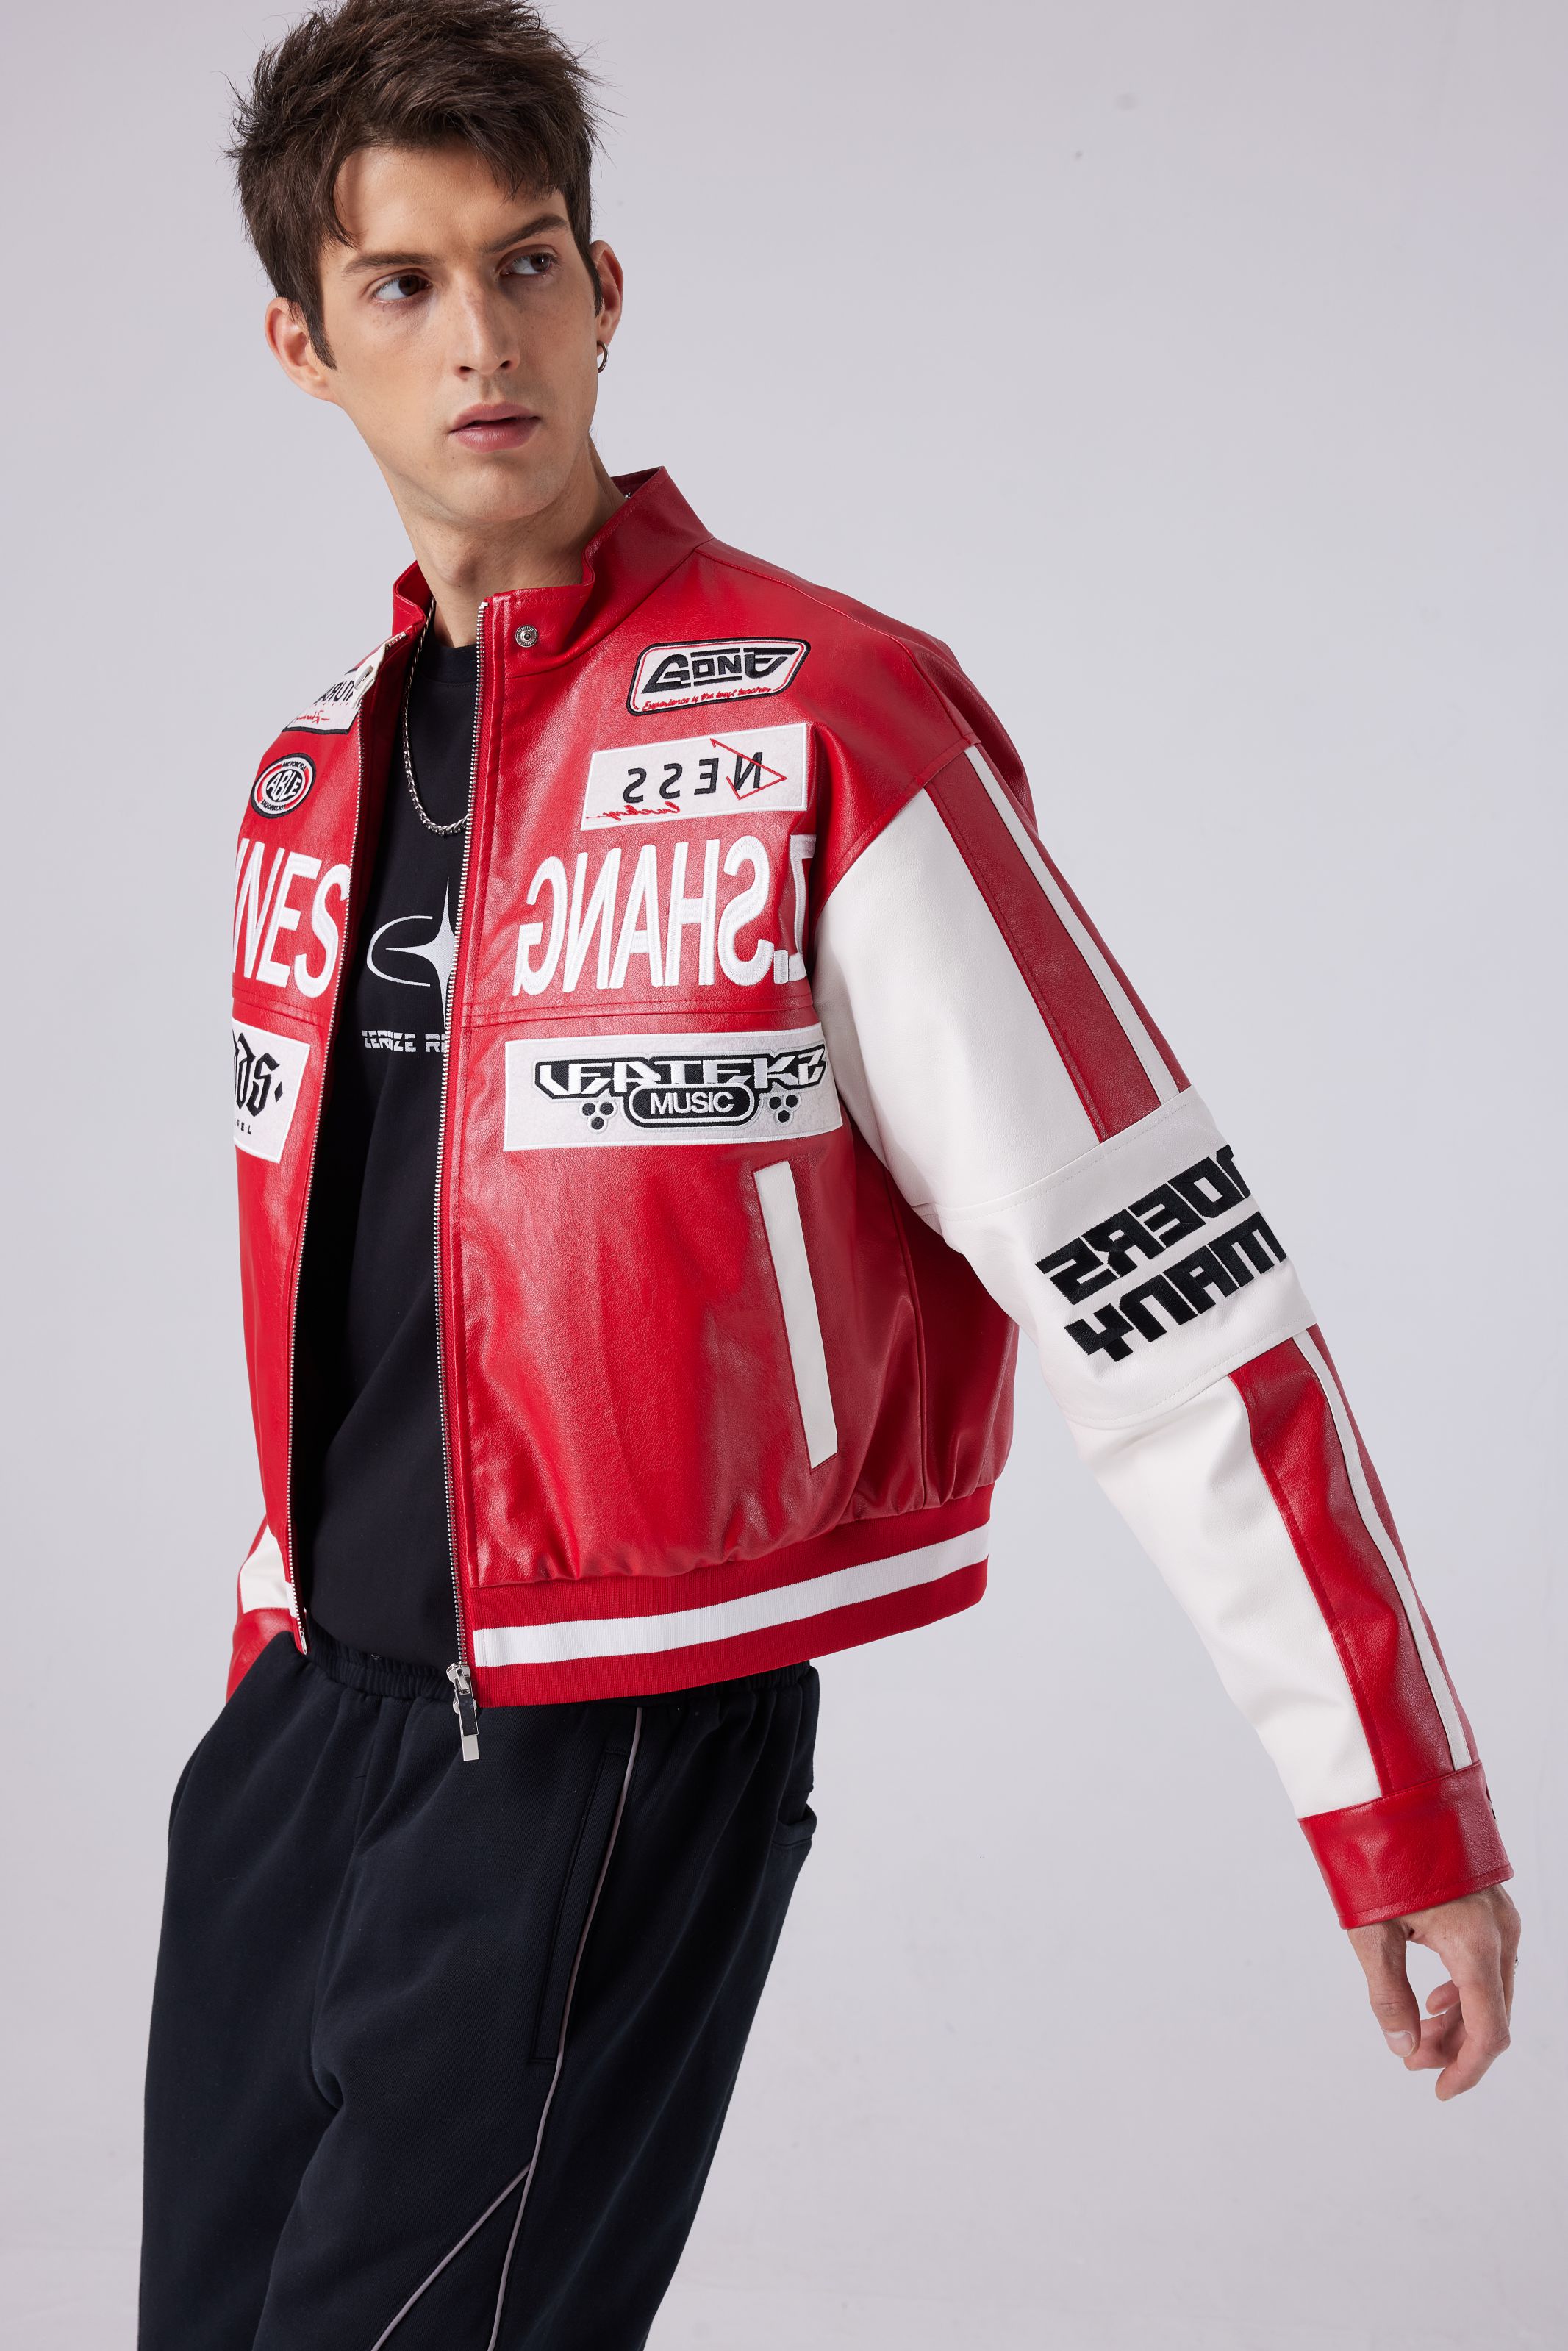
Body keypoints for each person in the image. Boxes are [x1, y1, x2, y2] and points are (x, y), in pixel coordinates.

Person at [139, 1, 1521, 2343]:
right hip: (300, 1741)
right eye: (405, 283)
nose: (482, 339)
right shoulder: (310, 778)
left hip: (611, 1742)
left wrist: (1392, 1803)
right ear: (305, 342)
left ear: (605, 291)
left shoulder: (826, 717)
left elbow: (1155, 1267)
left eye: (528, 262)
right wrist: (267, 1655)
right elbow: (351, 1307)